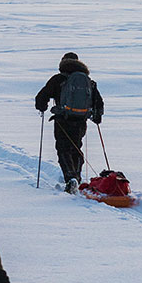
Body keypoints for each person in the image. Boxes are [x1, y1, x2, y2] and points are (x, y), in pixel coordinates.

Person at [33, 52, 104, 193]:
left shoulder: (58, 79)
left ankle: (70, 177)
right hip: (81, 120)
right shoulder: (88, 81)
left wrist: (42, 107)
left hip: (62, 119)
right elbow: (98, 102)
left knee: (63, 149)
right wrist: (97, 117)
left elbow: (41, 96)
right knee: (76, 147)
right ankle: (76, 177)